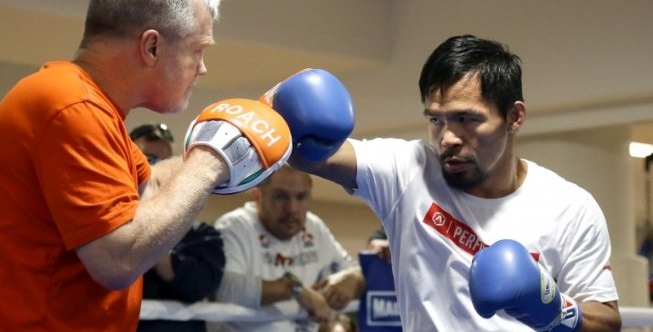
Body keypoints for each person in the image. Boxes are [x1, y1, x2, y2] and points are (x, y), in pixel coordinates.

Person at [259, 36, 622, 331]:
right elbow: (309, 155)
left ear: (514, 117)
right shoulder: (408, 169)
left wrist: (552, 308)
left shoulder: (570, 207)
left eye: (466, 119)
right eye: (436, 119)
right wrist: (274, 107)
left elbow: (605, 323)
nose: (447, 137)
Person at [0, 0, 290, 330]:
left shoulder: (87, 106)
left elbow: (148, 184)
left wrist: (242, 135)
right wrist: (213, 158)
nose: (201, 68)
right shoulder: (70, 106)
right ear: (151, 46)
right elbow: (117, 260)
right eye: (197, 50)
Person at [212, 165, 366, 332]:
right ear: (257, 196)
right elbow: (222, 288)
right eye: (280, 197)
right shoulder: (235, 227)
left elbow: (352, 272)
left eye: (301, 197)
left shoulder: (313, 227)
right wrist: (293, 289)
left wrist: (355, 277)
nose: (292, 209)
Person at [130, 123, 225, 332]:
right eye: (147, 160)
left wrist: (149, 234)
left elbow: (200, 286)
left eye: (165, 162)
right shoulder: (101, 229)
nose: (156, 171)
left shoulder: (203, 236)